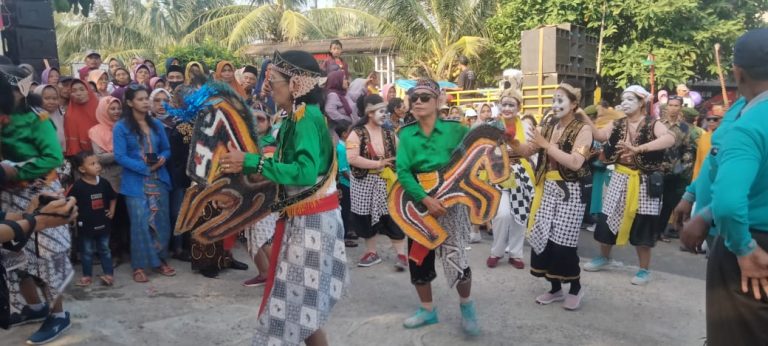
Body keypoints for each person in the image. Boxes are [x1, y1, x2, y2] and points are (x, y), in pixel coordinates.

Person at [220, 50, 348, 346]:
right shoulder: (293, 118)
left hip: (313, 225)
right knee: (301, 307)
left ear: (296, 85)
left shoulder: (305, 118)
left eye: (273, 79)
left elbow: (303, 173)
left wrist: (252, 163)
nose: (268, 86)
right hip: (303, 220)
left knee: (297, 304)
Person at [683, 28, 768, 345]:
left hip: (753, 243)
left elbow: (731, 203)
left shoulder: (748, 126)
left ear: (738, 72)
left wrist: (744, 250)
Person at [395, 78, 480, 336]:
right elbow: (403, 171)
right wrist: (424, 199)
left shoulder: (457, 130)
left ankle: (467, 306)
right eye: (414, 98)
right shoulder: (406, 134)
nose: (418, 102)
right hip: (418, 205)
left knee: (456, 257)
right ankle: (427, 309)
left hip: (451, 203)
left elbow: (473, 157)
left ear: (438, 101)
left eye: (424, 97)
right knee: (418, 259)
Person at [0, 65, 73, 344]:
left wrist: (10, 171)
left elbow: (52, 157)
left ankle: (58, 315)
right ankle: (34, 307)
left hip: (40, 194)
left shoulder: (38, 119)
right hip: (8, 198)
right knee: (13, 256)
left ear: (16, 91)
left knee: (46, 257)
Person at [583, 85, 675, 285]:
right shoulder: (617, 124)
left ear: (642, 102)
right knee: (608, 217)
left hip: (644, 180)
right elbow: (599, 136)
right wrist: (584, 117)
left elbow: (669, 138)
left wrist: (638, 149)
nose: (624, 103)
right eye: (623, 99)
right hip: (620, 177)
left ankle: (644, 270)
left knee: (644, 221)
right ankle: (605, 258)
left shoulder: (653, 123)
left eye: (630, 99)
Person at [527, 81, 593, 310]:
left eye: (560, 100)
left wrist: (546, 145)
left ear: (574, 104)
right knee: (543, 239)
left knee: (563, 244)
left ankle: (575, 288)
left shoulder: (583, 130)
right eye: (553, 100)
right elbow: (527, 150)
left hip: (571, 191)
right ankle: (555, 289)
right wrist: (512, 140)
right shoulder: (548, 127)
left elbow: (575, 163)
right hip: (548, 189)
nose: (555, 105)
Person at [113, 84, 176, 283]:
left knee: (162, 221)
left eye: (146, 98)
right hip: (135, 182)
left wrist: (162, 160)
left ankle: (161, 260)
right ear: (130, 102)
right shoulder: (121, 127)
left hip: (159, 179)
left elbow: (167, 149)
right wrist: (144, 167)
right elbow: (120, 156)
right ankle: (139, 265)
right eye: (140, 99)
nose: (146, 102)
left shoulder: (156, 124)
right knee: (140, 223)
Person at [347, 94, 408, 269]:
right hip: (363, 182)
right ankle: (371, 252)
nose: (384, 115)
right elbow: (352, 158)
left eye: (385, 111)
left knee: (392, 217)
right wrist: (378, 163)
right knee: (365, 217)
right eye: (381, 111)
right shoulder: (356, 133)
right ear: (370, 113)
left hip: (386, 182)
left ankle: (401, 255)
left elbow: (402, 152)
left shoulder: (389, 133)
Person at [487, 89, 535, 270]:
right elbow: (484, 151)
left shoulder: (527, 127)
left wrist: (514, 147)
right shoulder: (491, 126)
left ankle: (516, 254)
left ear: (518, 107)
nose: (507, 108)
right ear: (499, 106)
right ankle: (496, 252)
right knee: (502, 214)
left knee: (520, 215)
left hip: (521, 173)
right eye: (504, 104)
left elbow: (531, 151)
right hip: (499, 173)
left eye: (511, 105)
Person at [88, 96, 130, 266]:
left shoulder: (125, 127)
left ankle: (126, 250)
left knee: (123, 216)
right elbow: (99, 157)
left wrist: (120, 155)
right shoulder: (95, 131)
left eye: (118, 108)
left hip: (126, 177)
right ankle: (114, 253)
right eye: (112, 109)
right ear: (103, 110)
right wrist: (121, 154)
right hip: (108, 180)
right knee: (109, 218)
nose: (116, 112)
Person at [69, 152, 117, 287]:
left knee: (105, 249)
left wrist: (112, 211)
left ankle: (109, 275)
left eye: (97, 163)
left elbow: (113, 197)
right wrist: (72, 217)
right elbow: (70, 203)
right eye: (92, 164)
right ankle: (86, 276)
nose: (97, 166)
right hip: (85, 226)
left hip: (103, 223)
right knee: (87, 251)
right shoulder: (77, 187)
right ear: (82, 169)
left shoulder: (104, 183)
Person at [242, 110, 278, 287]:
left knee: (265, 237)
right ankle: (264, 273)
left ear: (269, 121)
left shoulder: (271, 145)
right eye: (252, 119)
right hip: (248, 197)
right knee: (248, 236)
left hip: (266, 198)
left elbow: (266, 174)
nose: (257, 122)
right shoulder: (245, 142)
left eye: (261, 119)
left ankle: (279, 277)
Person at [655, 96, 697, 241]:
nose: (673, 108)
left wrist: (684, 165)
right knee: (651, 202)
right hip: (656, 169)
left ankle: (659, 231)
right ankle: (647, 231)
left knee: (667, 203)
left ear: (680, 107)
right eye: (671, 105)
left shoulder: (685, 127)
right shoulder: (658, 124)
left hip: (674, 171)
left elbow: (688, 148)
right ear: (667, 107)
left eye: (676, 105)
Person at [334, 119, 359, 248]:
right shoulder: (341, 149)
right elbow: (343, 170)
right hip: (346, 184)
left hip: (348, 183)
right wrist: (355, 181)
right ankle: (343, 237)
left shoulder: (344, 146)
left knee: (348, 209)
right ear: (344, 134)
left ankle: (348, 232)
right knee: (345, 210)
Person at [64, 79, 100, 157]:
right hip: (81, 158)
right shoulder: (69, 115)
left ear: (88, 91)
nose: (78, 93)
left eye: (82, 89)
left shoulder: (100, 110)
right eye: (74, 91)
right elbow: (73, 146)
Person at [691, 105, 724, 180]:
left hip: (719, 178)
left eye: (715, 119)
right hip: (703, 178)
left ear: (721, 120)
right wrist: (694, 181)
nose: (711, 121)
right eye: (708, 119)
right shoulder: (703, 137)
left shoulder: (726, 137)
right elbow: (698, 162)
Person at [33, 85, 66, 152]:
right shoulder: (32, 118)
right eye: (47, 98)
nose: (51, 102)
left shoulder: (61, 117)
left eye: (54, 98)